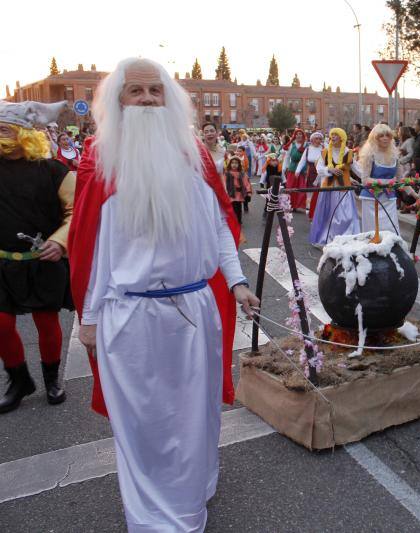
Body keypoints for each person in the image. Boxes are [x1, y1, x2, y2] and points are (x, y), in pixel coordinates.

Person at [68, 57, 259, 531]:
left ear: (169, 99)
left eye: (156, 90)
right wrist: (88, 319)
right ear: (119, 101)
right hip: (130, 318)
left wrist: (235, 282)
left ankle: (192, 495)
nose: (148, 100)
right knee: (144, 428)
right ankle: (155, 519)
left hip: (195, 309)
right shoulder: (99, 160)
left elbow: (218, 227)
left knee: (194, 420)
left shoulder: (194, 155)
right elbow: (93, 250)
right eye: (137, 92)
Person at [0, 100, 71, 413]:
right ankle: (18, 380)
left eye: (2, 129)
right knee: (1, 324)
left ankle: (52, 379)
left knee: (47, 322)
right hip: (3, 263)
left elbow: (77, 213)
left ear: (22, 133)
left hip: (44, 261)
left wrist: (60, 242)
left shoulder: (54, 170)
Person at [354, 123, 413, 234]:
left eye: (388, 135)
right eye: (381, 136)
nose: (385, 138)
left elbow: (400, 180)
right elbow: (365, 179)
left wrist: (415, 194)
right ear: (375, 138)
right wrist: (386, 182)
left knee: (391, 230)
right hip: (371, 200)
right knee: (372, 232)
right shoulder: (369, 155)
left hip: (389, 199)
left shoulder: (395, 156)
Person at [308, 128, 360, 246]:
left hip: (344, 190)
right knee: (328, 215)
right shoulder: (325, 152)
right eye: (332, 135)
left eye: (336, 135)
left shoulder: (348, 152)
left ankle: (345, 238)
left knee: (345, 216)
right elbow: (319, 168)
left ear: (342, 138)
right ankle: (327, 238)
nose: (333, 137)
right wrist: (329, 169)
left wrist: (369, 178)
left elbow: (357, 169)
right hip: (328, 190)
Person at [297, 131, 325, 218]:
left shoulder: (324, 148)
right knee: (310, 192)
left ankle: (319, 210)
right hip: (311, 172)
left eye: (320, 139)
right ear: (312, 139)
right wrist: (297, 171)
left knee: (321, 192)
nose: (318, 140)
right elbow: (302, 161)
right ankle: (309, 209)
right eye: (316, 138)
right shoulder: (308, 149)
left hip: (322, 173)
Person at [282, 128, 308, 211]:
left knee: (301, 188)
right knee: (290, 187)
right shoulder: (291, 145)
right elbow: (287, 156)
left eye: (300, 134)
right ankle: (290, 204)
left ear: (303, 136)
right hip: (292, 169)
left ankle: (297, 205)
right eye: (297, 134)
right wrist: (284, 167)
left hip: (302, 170)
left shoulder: (306, 145)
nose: (298, 136)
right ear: (295, 136)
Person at [224, 156, 252, 224]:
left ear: (239, 164)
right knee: (233, 207)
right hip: (230, 193)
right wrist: (225, 191)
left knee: (238, 207)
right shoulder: (227, 173)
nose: (234, 164)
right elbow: (223, 183)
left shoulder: (242, 173)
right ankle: (233, 220)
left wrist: (248, 192)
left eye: (236, 163)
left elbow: (246, 183)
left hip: (239, 193)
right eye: (232, 163)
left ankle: (239, 220)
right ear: (229, 164)